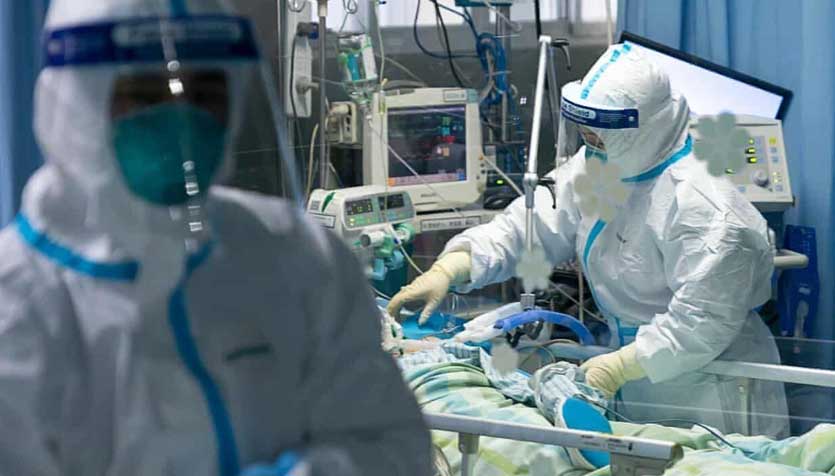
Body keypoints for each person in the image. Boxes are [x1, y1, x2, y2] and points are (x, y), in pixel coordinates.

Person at [0, 0, 432, 475]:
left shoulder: (297, 254)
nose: (181, 117)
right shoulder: (17, 308)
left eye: (205, 93)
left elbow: (392, 445)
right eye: (145, 94)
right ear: (78, 104)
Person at [389, 43, 788, 437]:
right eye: (586, 132)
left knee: (708, 460)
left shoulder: (706, 209)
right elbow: (529, 228)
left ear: (642, 130)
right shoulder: (606, 163)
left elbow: (701, 323)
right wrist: (453, 266)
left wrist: (618, 367)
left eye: (599, 135)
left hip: (712, 386)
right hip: (636, 376)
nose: (589, 141)